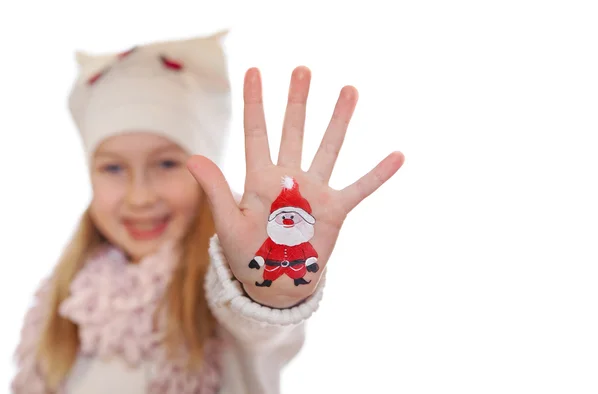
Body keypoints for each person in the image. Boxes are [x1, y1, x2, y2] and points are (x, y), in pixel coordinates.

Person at [10, 30, 405, 394]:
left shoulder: (223, 287)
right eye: (113, 168)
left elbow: (259, 330)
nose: (139, 196)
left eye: (166, 164)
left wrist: (268, 292)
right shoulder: (62, 300)